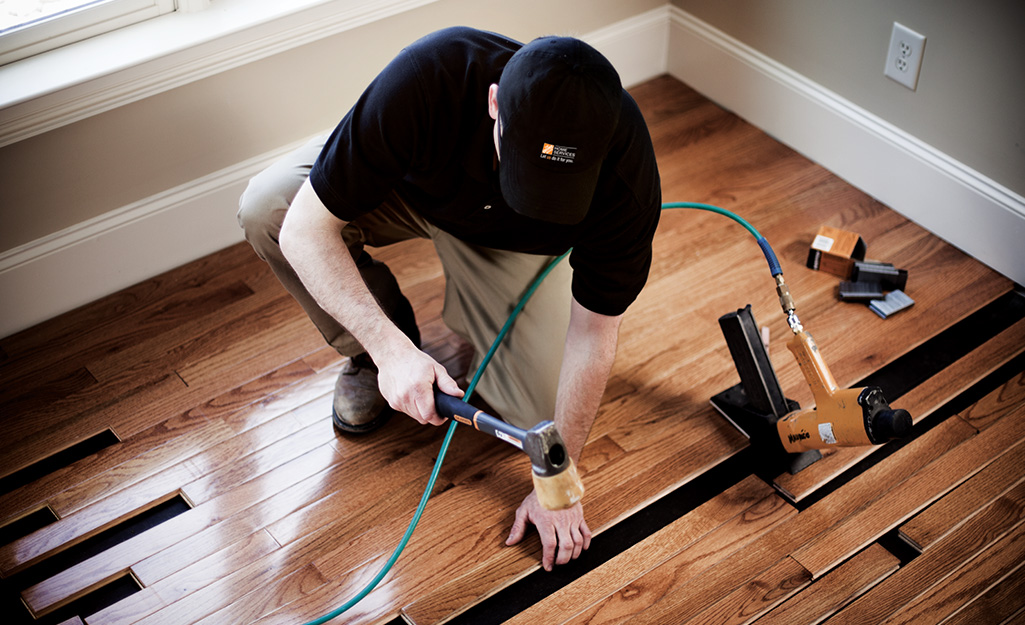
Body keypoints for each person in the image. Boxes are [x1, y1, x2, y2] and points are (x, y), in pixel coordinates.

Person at [238, 26, 661, 572]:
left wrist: (559, 483)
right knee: (269, 208)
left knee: (539, 420)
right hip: (408, 193)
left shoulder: (627, 179)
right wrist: (390, 352)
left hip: (515, 248)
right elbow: (302, 230)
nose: (540, 188)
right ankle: (370, 355)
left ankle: (472, 310)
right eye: (528, 171)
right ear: (493, 105)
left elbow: (595, 330)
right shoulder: (429, 77)